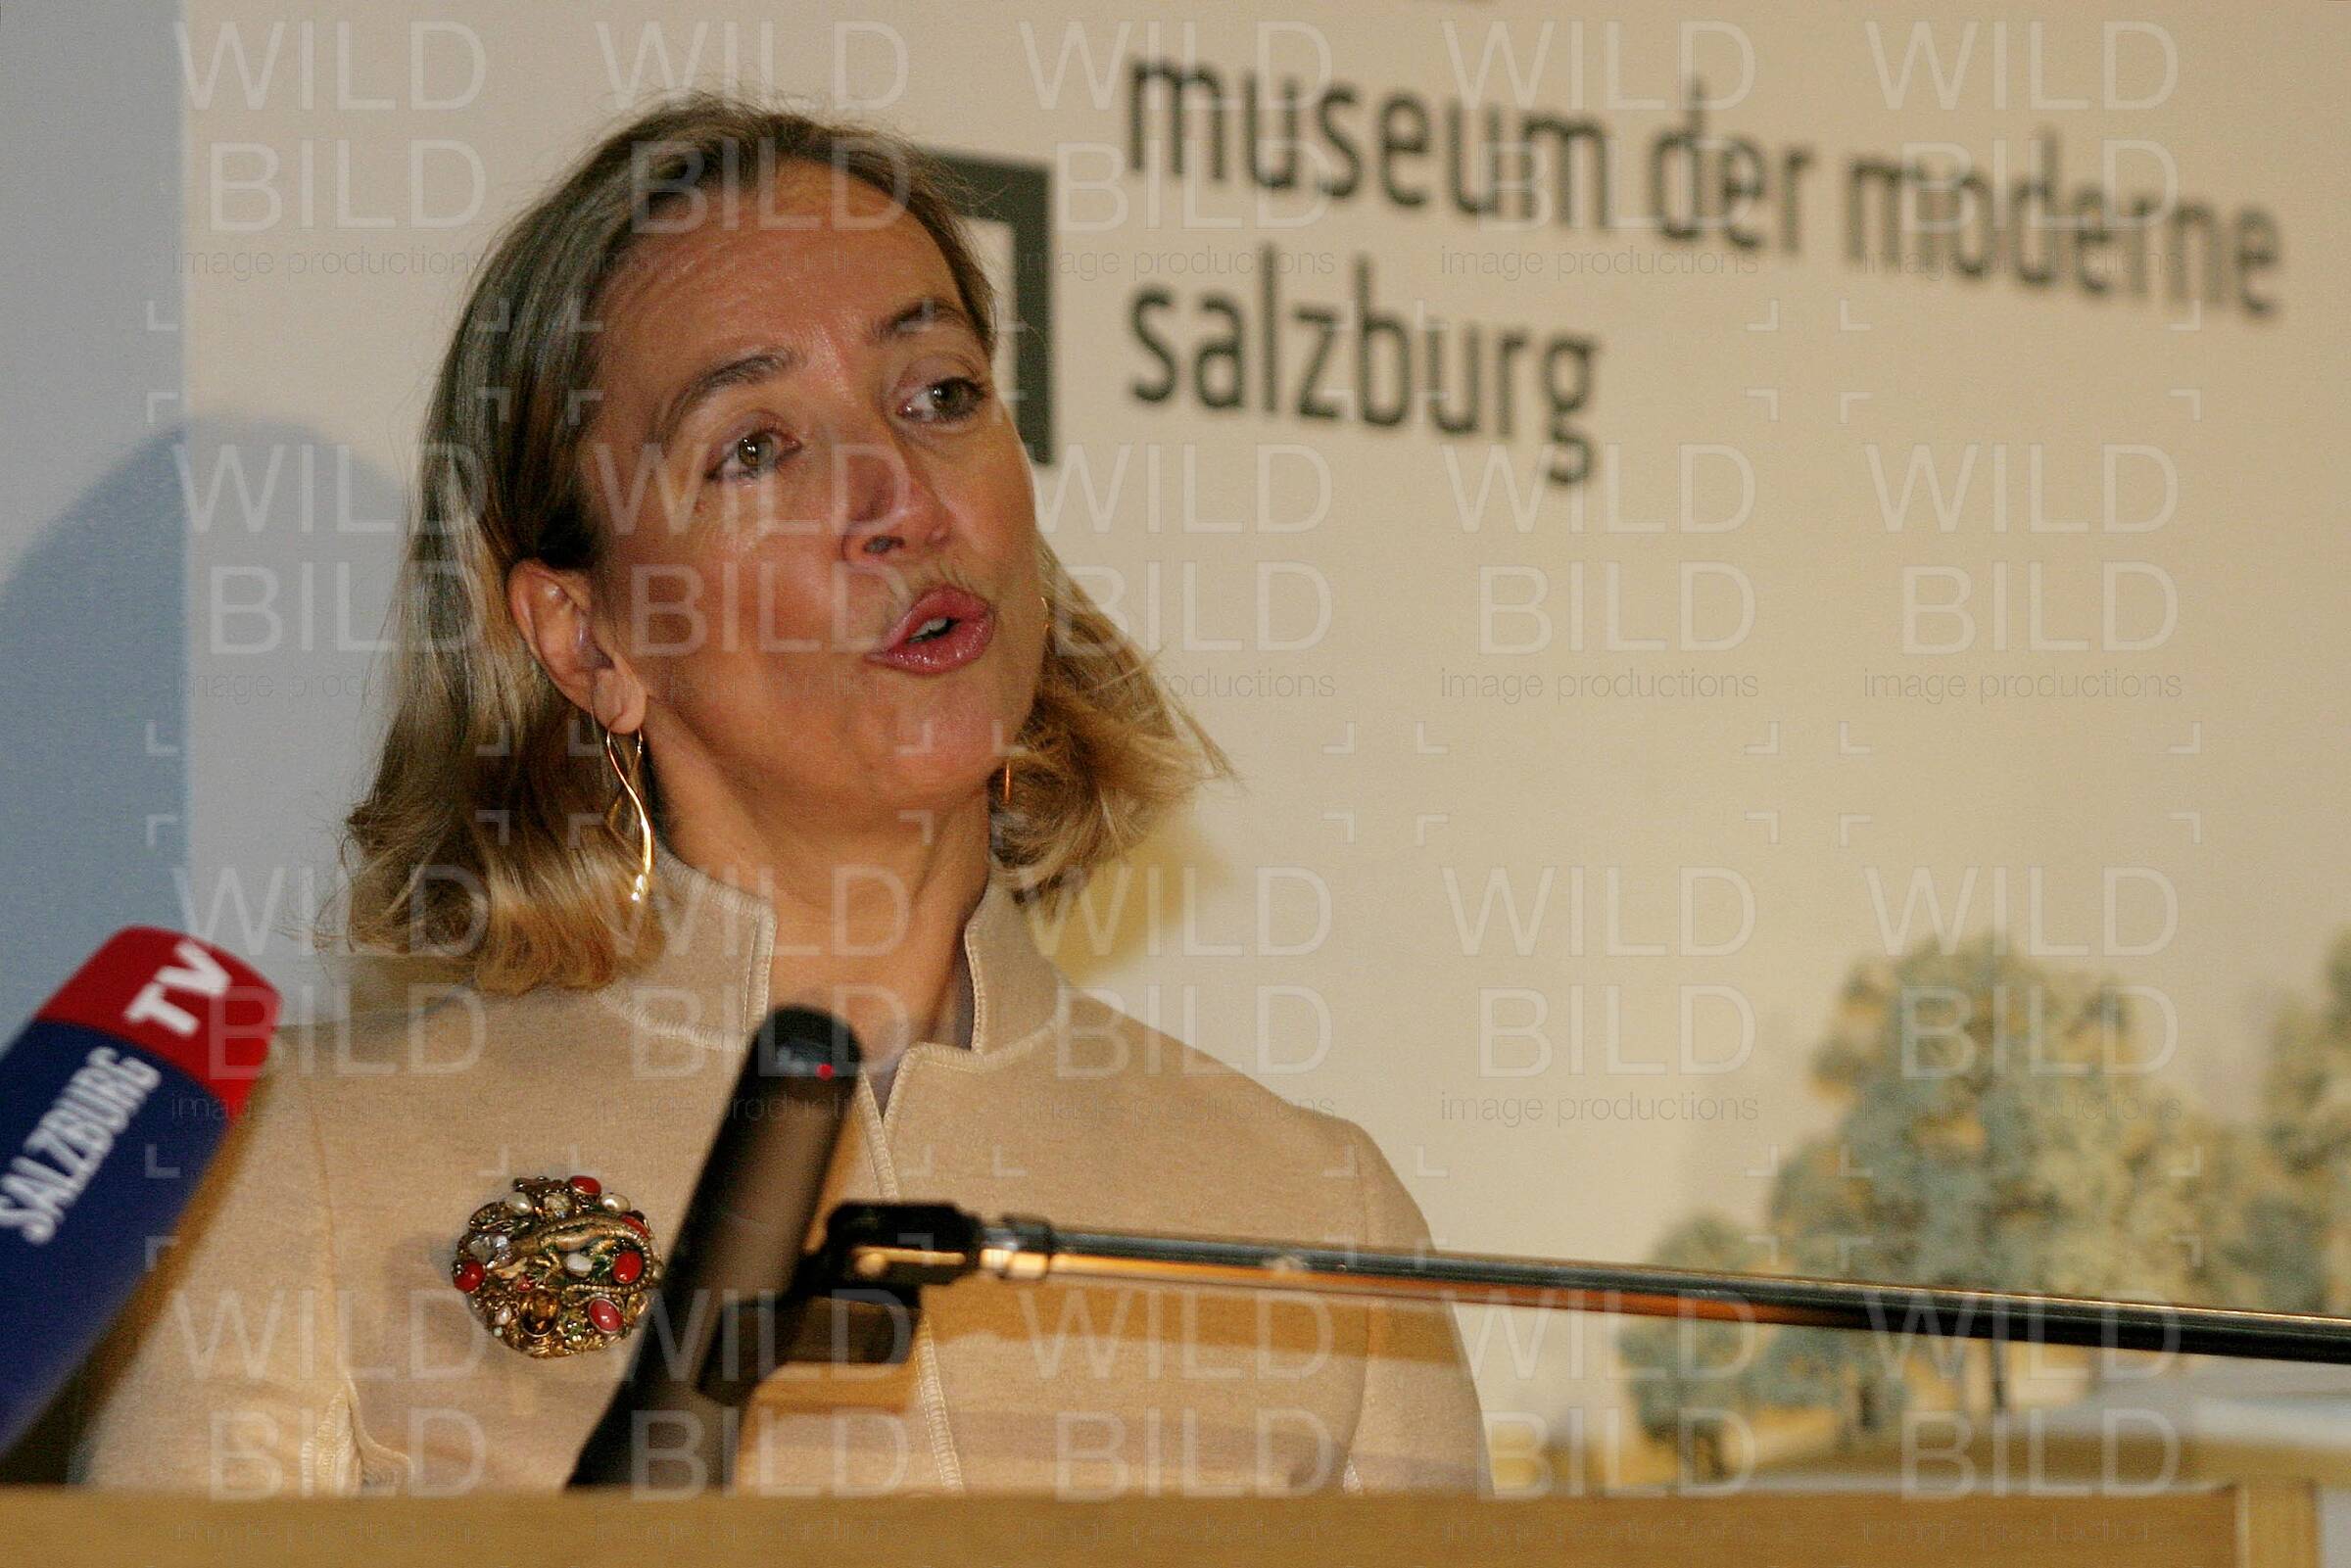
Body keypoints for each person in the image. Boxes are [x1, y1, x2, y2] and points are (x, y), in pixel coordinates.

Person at [74, 90, 1488, 1497]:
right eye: (755, 446)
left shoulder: (1313, 1209)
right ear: (588, 640)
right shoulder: (303, 1167)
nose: (902, 498)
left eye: (939, 396)